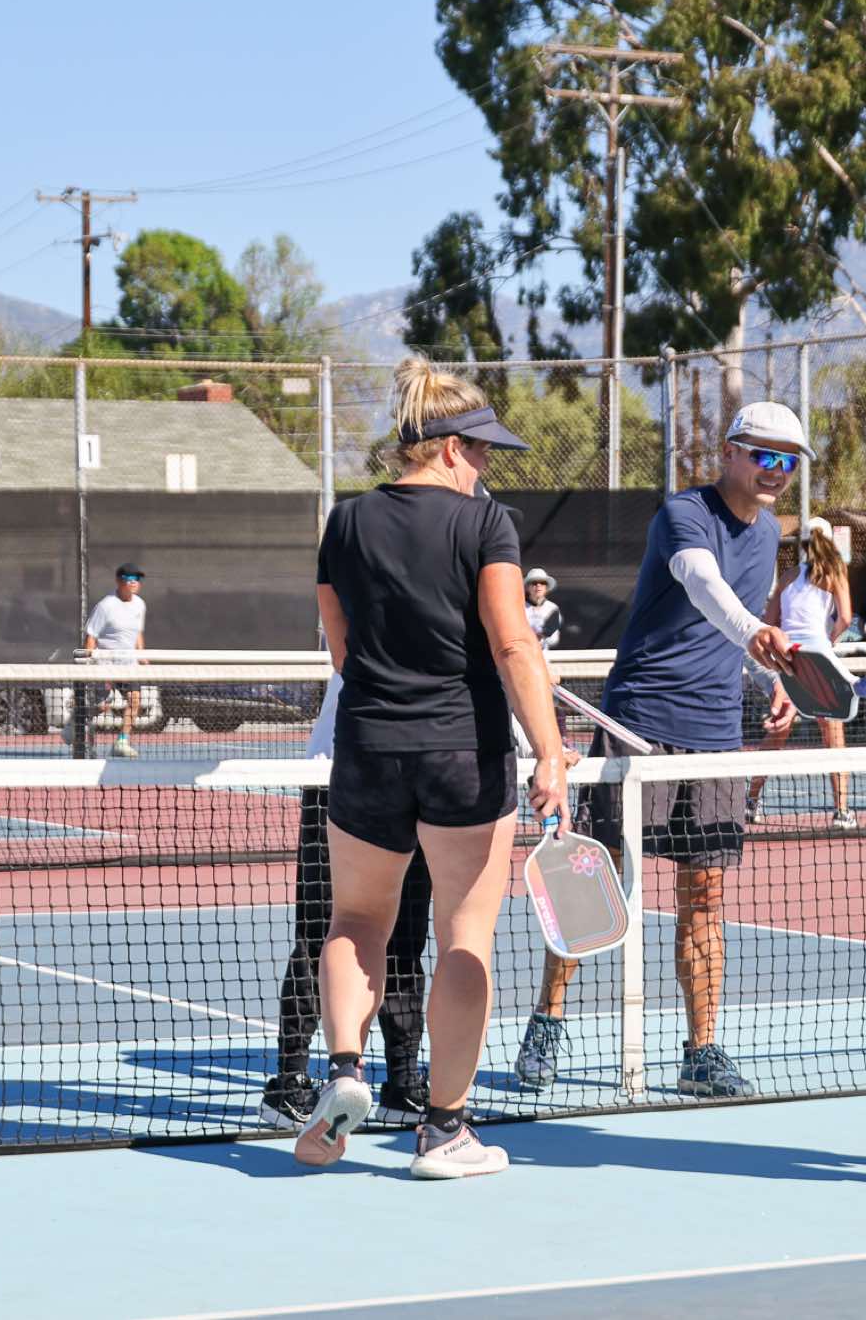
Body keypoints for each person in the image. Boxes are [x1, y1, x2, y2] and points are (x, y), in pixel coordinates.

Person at [298, 355, 567, 1180]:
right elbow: (512, 643)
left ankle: (345, 1069)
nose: (485, 466)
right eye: (480, 450)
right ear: (449, 447)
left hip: (368, 749)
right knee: (465, 935)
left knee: (356, 921)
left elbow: (342, 651)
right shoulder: (487, 524)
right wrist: (551, 750)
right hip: (463, 753)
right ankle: (445, 1129)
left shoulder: (345, 522)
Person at [515, 401, 804, 1100]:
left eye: (789, 461)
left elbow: (732, 635)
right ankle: (547, 1022)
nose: (776, 471)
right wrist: (756, 633)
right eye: (764, 455)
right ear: (730, 452)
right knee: (594, 879)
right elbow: (704, 586)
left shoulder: (769, 534)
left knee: (705, 896)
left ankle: (701, 1051)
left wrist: (771, 678)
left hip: (714, 734)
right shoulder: (684, 513)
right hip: (639, 722)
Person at [260, 669, 435, 1132]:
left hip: (417, 777)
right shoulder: (360, 626)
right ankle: (291, 1082)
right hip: (337, 776)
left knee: (405, 939)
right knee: (320, 934)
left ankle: (403, 1081)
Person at [748, 517, 855, 829]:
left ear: (803, 544)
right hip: (818, 660)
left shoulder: (788, 576)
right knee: (833, 733)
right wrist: (829, 641)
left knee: (779, 730)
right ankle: (842, 811)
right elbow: (846, 618)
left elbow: (770, 621)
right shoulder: (836, 572)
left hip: (789, 660)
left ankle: (750, 801)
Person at [72, 564, 148, 758]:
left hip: (128, 666)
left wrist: (142, 656)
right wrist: (89, 664)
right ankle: (75, 722)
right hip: (105, 665)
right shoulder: (106, 605)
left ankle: (121, 742)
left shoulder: (140, 605)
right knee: (102, 705)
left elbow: (137, 633)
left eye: (137, 579)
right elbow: (91, 637)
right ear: (118, 581)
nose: (133, 582)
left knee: (135, 700)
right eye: (129, 578)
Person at [523, 567, 562, 649]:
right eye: (534, 583)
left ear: (546, 587)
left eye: (542, 582)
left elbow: (554, 639)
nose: (538, 585)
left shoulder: (553, 608)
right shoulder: (519, 608)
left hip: (544, 654)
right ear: (527, 587)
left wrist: (542, 636)